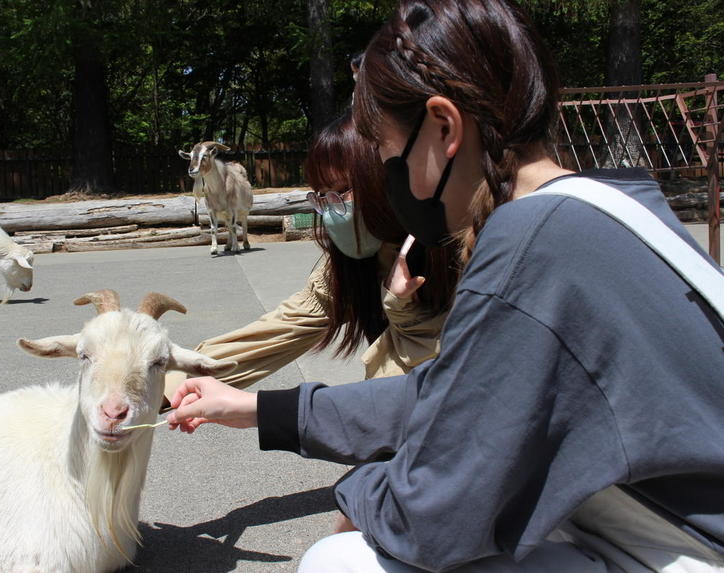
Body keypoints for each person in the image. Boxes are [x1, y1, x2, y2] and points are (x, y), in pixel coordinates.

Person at [165, 1, 724, 572]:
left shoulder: (527, 242)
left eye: (385, 154)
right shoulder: (614, 203)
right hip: (653, 520)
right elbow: (449, 393)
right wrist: (258, 408)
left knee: (339, 561)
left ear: (445, 127)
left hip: (685, 550)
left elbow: (431, 518)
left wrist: (357, 489)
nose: (387, 180)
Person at [163, 109, 457, 403]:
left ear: (383, 179)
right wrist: (162, 382)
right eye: (321, 196)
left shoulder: (457, 256)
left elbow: (402, 401)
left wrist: (402, 309)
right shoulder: (351, 265)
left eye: (341, 191)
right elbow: (278, 331)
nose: (330, 209)